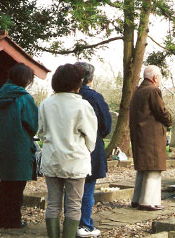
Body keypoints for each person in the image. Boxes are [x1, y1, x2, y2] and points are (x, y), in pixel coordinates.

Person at [39, 64, 98, 238]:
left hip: (52, 159)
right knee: (73, 204)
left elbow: (41, 132)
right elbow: (91, 136)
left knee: (53, 204)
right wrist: (84, 149)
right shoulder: (82, 105)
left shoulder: (45, 104)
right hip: (75, 160)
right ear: (78, 83)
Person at [0, 63, 38, 229]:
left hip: (2, 144)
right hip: (20, 145)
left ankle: (2, 219)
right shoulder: (24, 97)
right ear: (26, 80)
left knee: (5, 182)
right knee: (17, 185)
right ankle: (13, 220)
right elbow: (32, 123)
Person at [74, 62, 112, 237]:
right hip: (91, 147)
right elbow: (106, 124)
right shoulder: (94, 97)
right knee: (88, 189)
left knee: (72, 189)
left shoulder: (64, 96)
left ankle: (71, 222)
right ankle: (85, 224)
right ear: (90, 78)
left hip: (68, 147)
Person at [129, 65, 172, 211]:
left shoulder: (137, 91)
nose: (160, 80)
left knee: (143, 169)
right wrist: (169, 120)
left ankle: (137, 199)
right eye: (159, 77)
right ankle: (147, 201)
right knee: (153, 168)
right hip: (151, 136)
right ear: (154, 78)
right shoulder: (153, 90)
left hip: (140, 134)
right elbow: (161, 112)